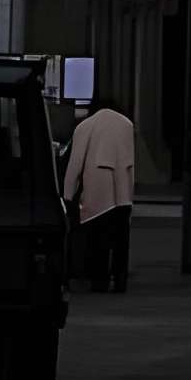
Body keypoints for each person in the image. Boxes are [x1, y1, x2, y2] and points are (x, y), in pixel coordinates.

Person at [62, 93, 136, 293]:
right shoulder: (126, 125)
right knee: (121, 240)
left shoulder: (86, 126)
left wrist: (67, 196)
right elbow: (131, 164)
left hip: (97, 193)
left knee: (97, 241)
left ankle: (99, 281)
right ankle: (120, 281)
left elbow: (75, 165)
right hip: (123, 195)